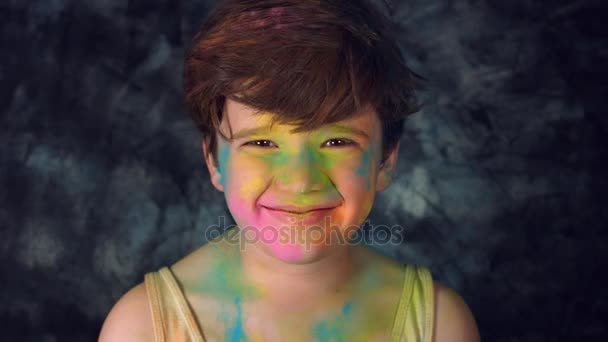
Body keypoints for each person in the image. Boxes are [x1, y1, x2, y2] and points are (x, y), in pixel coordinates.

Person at [99, 0, 480, 341]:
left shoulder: (438, 326)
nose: (300, 180)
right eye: (261, 143)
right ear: (214, 162)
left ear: (386, 160)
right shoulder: (143, 328)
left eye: (336, 142)